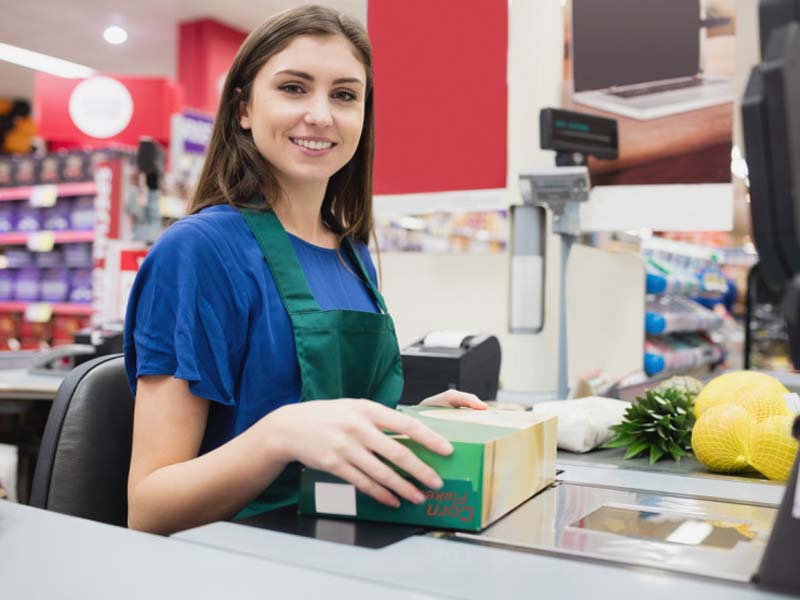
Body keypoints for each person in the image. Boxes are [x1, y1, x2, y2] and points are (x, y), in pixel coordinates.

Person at [123, 4, 486, 536]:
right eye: (294, 88)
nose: (321, 114)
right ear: (243, 108)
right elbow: (148, 509)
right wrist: (278, 436)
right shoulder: (199, 252)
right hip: (237, 564)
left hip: (345, 543)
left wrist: (409, 424)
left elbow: (334, 424)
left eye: (344, 95)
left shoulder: (353, 253)